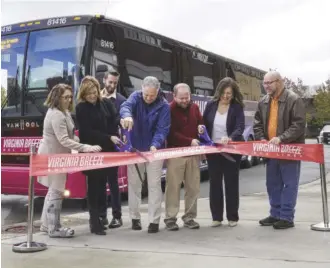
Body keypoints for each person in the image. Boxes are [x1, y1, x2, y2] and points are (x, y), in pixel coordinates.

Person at [38, 84, 101, 238]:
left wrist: (79, 141)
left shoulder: (62, 112)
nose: (68, 100)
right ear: (56, 98)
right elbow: (64, 140)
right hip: (53, 157)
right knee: (56, 190)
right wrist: (85, 147)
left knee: (53, 190)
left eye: (69, 97)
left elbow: (70, 136)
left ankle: (47, 225)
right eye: (64, 97)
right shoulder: (57, 115)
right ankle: (54, 228)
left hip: (57, 156)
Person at [253, 71, 306, 229]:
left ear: (280, 82)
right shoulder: (263, 101)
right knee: (272, 184)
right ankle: (275, 214)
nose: (266, 86)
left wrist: (281, 138)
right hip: (271, 151)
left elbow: (298, 125)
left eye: (269, 83)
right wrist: (261, 138)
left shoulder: (294, 99)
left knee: (289, 184)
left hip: (289, 150)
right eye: (264, 83)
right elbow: (257, 123)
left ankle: (287, 217)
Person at [120, 76, 170, 233]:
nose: (148, 98)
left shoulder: (164, 106)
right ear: (141, 89)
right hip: (135, 149)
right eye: (146, 95)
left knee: (154, 185)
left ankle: (154, 221)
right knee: (134, 185)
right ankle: (134, 218)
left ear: (158, 92)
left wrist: (155, 144)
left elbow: (162, 129)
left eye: (152, 95)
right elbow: (125, 106)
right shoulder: (135, 97)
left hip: (154, 150)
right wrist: (127, 116)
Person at [76, 76, 121, 235]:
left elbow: (113, 122)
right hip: (91, 151)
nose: (92, 96)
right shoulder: (81, 108)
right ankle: (94, 222)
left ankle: (102, 218)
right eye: (88, 94)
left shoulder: (105, 104)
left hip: (106, 150)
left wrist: (114, 134)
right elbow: (87, 133)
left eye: (94, 92)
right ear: (83, 94)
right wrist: (108, 137)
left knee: (103, 187)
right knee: (94, 189)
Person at [203, 77, 245, 228]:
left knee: (231, 183)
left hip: (231, 151)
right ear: (219, 92)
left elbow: (240, 126)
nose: (226, 96)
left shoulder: (237, 107)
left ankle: (232, 217)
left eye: (230, 93)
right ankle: (216, 217)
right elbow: (204, 124)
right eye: (224, 92)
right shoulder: (210, 105)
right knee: (215, 183)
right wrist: (202, 138)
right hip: (213, 150)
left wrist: (231, 137)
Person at [164, 83, 204, 231]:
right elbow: (170, 133)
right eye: (181, 98)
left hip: (193, 154)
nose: (185, 100)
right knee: (173, 187)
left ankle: (189, 217)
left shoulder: (194, 108)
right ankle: (170, 218)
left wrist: (201, 127)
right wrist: (189, 141)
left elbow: (201, 121)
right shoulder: (168, 109)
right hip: (175, 153)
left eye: (187, 97)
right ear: (174, 96)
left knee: (193, 187)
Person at [99, 70, 126, 228]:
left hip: (113, 145)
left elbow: (122, 121)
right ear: (104, 80)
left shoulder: (121, 100)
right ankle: (102, 216)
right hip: (98, 145)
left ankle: (117, 216)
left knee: (113, 182)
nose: (112, 85)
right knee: (100, 183)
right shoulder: (95, 97)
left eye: (115, 83)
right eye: (110, 82)